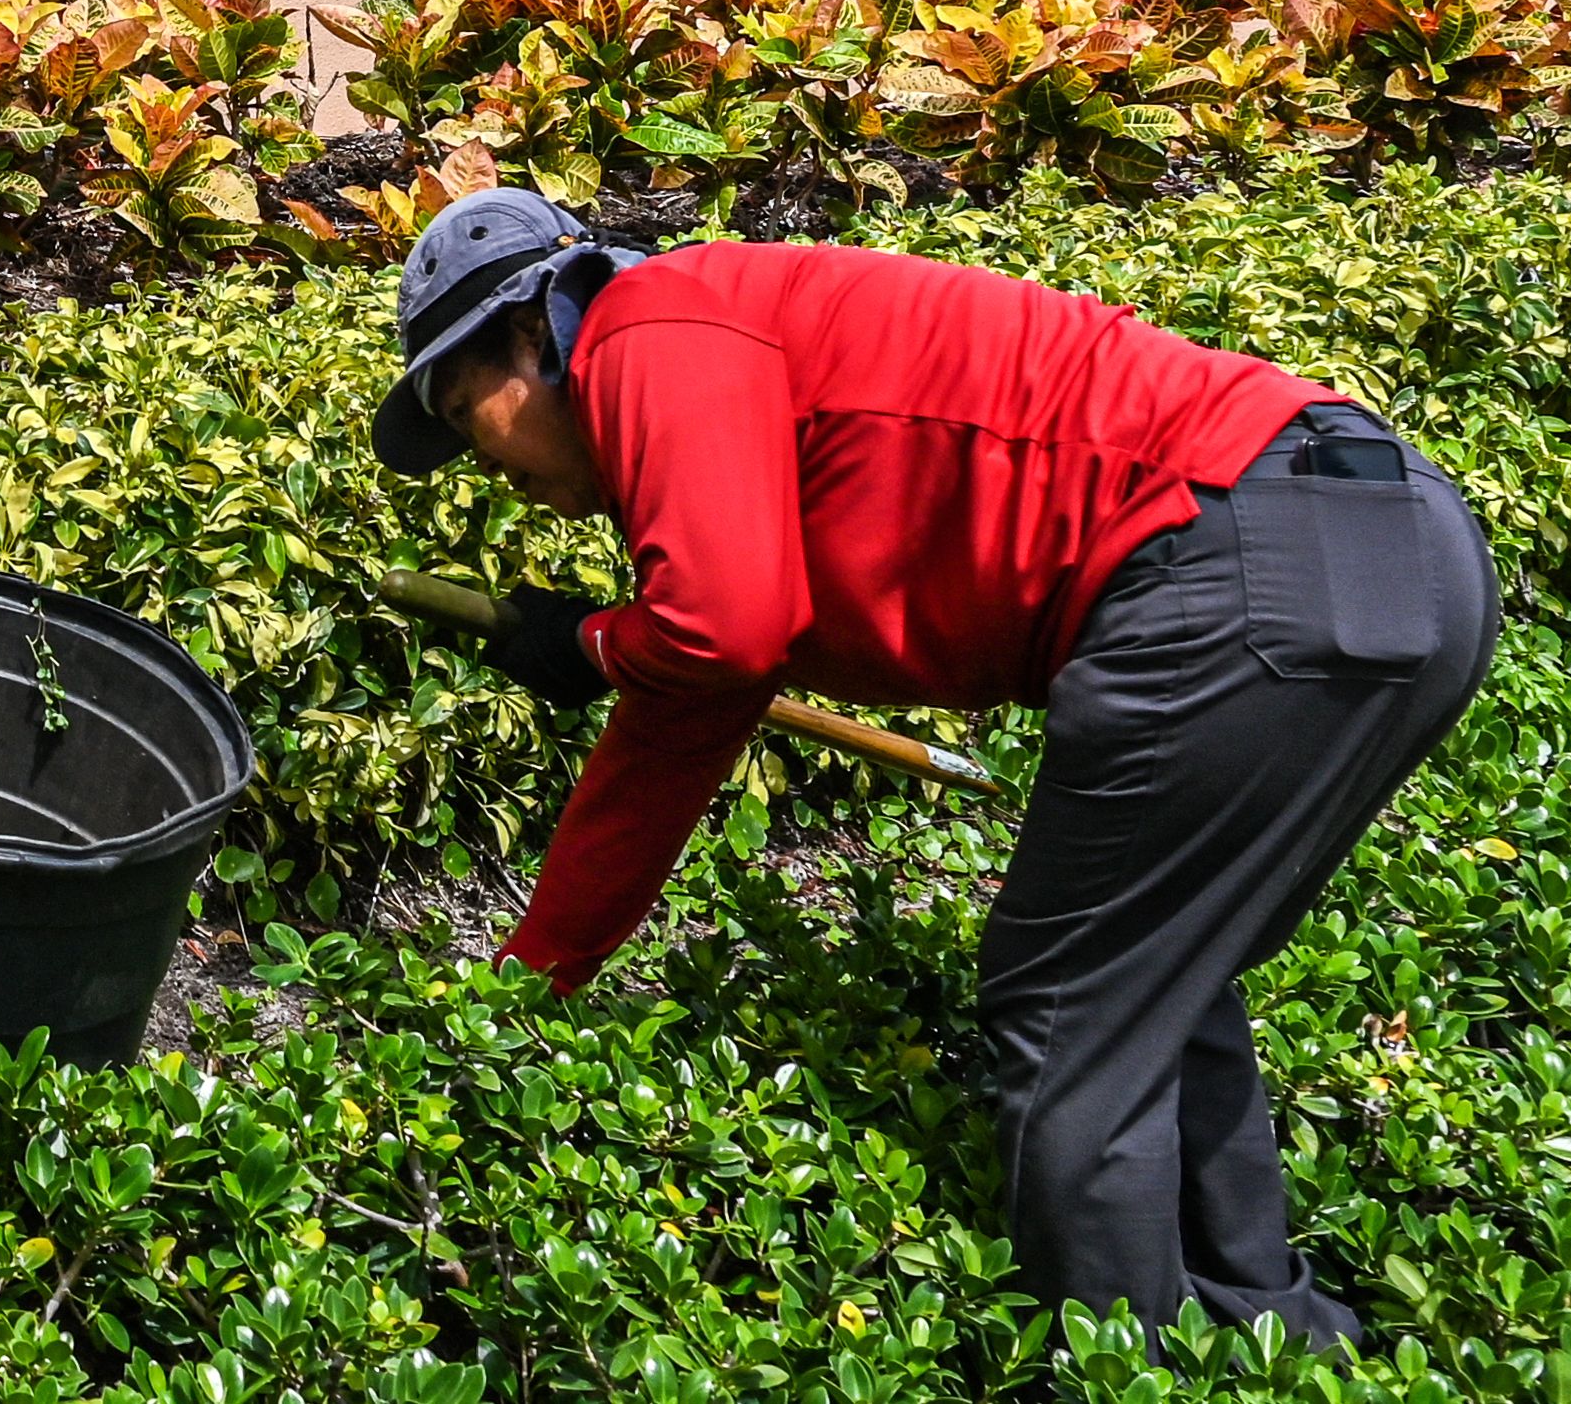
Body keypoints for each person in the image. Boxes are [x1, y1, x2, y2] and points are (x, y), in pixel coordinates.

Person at [372, 186, 1497, 1349]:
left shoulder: (650, 322)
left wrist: (599, 641)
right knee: (1155, 974)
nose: (479, 458)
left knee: (1064, 999)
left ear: (539, 328)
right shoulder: (718, 396)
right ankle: (1271, 1334)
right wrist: (522, 990)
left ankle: (1130, 1370)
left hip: (1242, 561)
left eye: (467, 407)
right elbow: (685, 717)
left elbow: (721, 625)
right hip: (1397, 545)